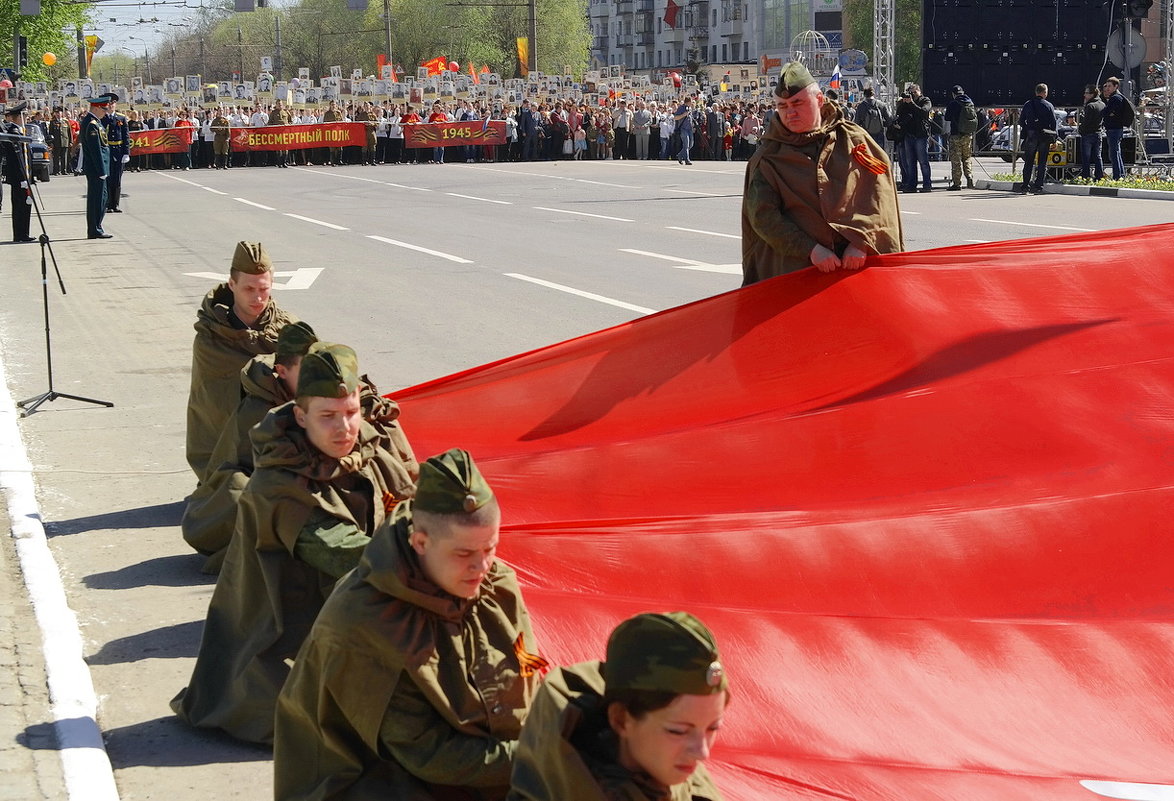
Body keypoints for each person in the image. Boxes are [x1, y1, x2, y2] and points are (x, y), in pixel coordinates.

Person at [173, 343, 419, 745]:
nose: (344, 428)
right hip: (286, 635)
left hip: (354, 609)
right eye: (328, 416)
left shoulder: (370, 450)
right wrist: (427, 561)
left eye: (351, 413)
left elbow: (411, 497)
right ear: (301, 415)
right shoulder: (278, 481)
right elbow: (335, 547)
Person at [273, 448, 543, 800]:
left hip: (477, 762)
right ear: (420, 542)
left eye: (490, 548)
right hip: (376, 777)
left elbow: (523, 686)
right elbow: (426, 752)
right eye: (463, 554)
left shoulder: (495, 583)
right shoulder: (364, 618)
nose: (482, 567)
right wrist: (538, 757)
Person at [509, 611, 729, 801]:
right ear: (621, 720)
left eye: (713, 728)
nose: (702, 752)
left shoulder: (665, 766)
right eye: (678, 731)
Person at [741, 62, 903, 286]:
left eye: (797, 103)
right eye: (783, 106)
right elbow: (763, 217)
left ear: (819, 100)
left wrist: (862, 240)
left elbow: (879, 192)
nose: (790, 112)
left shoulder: (853, 140)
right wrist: (811, 250)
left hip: (858, 268)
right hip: (796, 273)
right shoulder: (768, 157)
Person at [180, 321, 319, 573]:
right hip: (245, 500)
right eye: (306, 370)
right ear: (282, 371)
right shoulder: (259, 410)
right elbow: (243, 474)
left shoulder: (315, 398)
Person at [185, 241, 298, 481]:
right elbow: (211, 408)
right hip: (223, 453)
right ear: (232, 285)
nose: (258, 298)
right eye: (249, 289)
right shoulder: (212, 337)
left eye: (264, 289)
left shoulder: (288, 329)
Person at [77, 94, 114, 238]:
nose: (105, 112)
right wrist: (101, 169)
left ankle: (97, 227)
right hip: (96, 169)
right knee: (97, 199)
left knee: (101, 198)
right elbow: (95, 150)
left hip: (99, 168)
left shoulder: (95, 122)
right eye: (104, 109)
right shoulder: (92, 124)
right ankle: (95, 229)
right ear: (97, 108)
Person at [1, 102, 35, 243]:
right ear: (18, 117)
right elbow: (18, 159)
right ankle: (20, 234)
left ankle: (24, 233)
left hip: (24, 176)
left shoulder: (20, 131)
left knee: (26, 205)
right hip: (19, 177)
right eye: (25, 115)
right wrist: (22, 177)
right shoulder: (14, 133)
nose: (27, 118)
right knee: (20, 206)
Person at [1018, 82, 1057, 194]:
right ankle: (1038, 186)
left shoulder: (1028, 104)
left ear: (1036, 92)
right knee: (1042, 162)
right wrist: (1054, 137)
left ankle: (1025, 186)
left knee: (1029, 161)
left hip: (1031, 136)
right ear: (1045, 93)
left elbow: (1021, 121)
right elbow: (1053, 123)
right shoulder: (1049, 105)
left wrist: (1028, 128)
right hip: (1044, 136)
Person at [896, 84, 933, 192]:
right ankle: (911, 185)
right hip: (909, 134)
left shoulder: (925, 100)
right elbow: (900, 113)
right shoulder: (907, 103)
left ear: (918, 91)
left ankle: (927, 185)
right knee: (910, 162)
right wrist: (903, 102)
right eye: (910, 92)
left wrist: (912, 103)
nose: (912, 95)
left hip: (921, 135)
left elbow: (923, 112)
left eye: (913, 92)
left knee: (923, 161)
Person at [943, 85, 977, 190]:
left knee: (956, 160)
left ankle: (957, 183)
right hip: (967, 135)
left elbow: (947, 117)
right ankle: (970, 177)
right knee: (967, 157)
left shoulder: (953, 103)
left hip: (955, 135)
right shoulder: (969, 102)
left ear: (953, 94)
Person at [1101, 76, 1133, 180]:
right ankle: (1121, 175)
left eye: (1110, 86)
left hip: (1114, 129)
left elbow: (1108, 112)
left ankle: (1117, 176)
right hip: (1116, 128)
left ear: (1116, 86)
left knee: (1114, 154)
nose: (1107, 88)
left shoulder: (1115, 98)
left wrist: (1107, 113)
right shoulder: (1116, 97)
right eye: (1107, 86)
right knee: (1116, 153)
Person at [104, 94, 131, 212]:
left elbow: (126, 136)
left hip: (119, 151)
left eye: (113, 104)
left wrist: (126, 152)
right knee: (108, 178)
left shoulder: (121, 118)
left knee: (117, 179)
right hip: (108, 150)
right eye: (109, 104)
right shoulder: (102, 118)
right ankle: (108, 204)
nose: (111, 106)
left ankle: (115, 204)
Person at [1078, 84, 1105, 181]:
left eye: (1086, 93)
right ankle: (1099, 176)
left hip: (1088, 134)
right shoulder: (1102, 104)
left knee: (1086, 157)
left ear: (1092, 94)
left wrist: (1081, 129)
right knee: (1098, 156)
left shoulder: (1090, 106)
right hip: (1098, 133)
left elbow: (1086, 121)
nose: (1084, 95)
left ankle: (1086, 176)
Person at [47, 107, 73, 175]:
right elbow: (50, 133)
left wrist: (71, 142)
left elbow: (69, 132)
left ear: (62, 113)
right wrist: (51, 143)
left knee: (64, 157)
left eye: (59, 113)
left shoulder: (66, 121)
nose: (58, 114)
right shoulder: (52, 122)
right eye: (56, 113)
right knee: (56, 157)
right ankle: (56, 171)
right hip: (56, 142)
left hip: (65, 142)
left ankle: (64, 170)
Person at [673, 96, 694, 165]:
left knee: (691, 144)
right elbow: (675, 117)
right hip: (683, 129)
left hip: (690, 129)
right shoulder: (681, 108)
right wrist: (683, 114)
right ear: (688, 102)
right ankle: (687, 160)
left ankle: (680, 155)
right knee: (686, 144)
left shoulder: (690, 108)